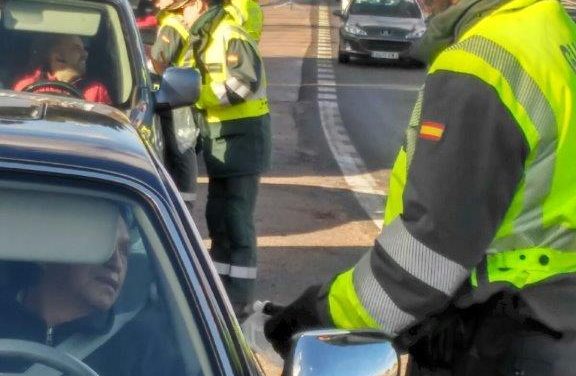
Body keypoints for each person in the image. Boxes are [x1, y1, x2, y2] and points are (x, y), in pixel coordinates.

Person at [264, 0, 576, 375]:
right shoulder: (556, 35)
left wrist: (310, 319)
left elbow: (424, 263)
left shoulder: (484, 63)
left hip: (500, 344)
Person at [0, 215, 185, 376]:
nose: (117, 264)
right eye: (101, 244)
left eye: (125, 251)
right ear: (53, 247)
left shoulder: (145, 349)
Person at [184, 0, 271, 320]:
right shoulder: (207, 35)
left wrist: (199, 95)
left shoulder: (230, 35)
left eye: (186, 6)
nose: (183, 13)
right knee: (218, 219)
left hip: (243, 138)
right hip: (221, 137)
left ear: (200, 4)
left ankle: (241, 301)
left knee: (236, 221)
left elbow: (242, 83)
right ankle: (219, 289)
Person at [13, 35, 112, 104]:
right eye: (76, 49)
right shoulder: (26, 87)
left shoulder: (96, 91)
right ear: (58, 57)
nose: (85, 54)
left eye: (84, 48)